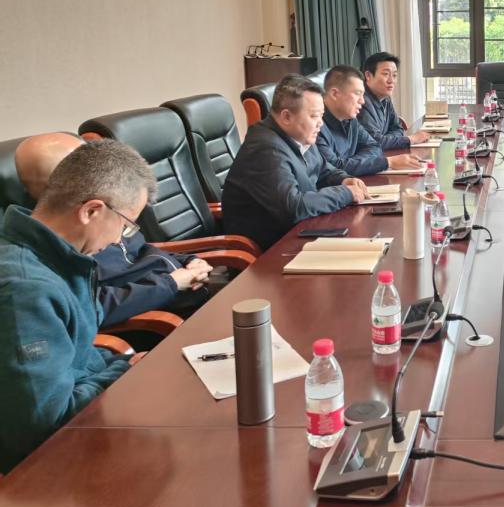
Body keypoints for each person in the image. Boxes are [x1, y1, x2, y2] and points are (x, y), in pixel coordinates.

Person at [0, 139, 154, 473]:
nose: (119, 240)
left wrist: (124, 364)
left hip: (81, 427)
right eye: (125, 225)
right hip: (46, 470)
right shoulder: (25, 291)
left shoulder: (62, 260)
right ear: (91, 211)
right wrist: (123, 371)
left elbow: (76, 357)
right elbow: (43, 427)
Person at [14, 134, 213, 327]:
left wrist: (186, 260)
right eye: (83, 163)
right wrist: (170, 283)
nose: (103, 169)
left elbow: (140, 248)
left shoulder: (108, 211)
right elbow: (92, 308)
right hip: (158, 315)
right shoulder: (71, 239)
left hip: (179, 288)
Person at [222, 74, 368, 250]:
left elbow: (323, 170)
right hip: (271, 252)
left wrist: (344, 179)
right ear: (286, 117)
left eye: (322, 116)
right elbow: (293, 208)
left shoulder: (299, 136)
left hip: (301, 234)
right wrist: (345, 193)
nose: (320, 124)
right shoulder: (265, 149)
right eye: (314, 116)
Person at [317, 65, 423, 176]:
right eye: (357, 94)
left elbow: (374, 146)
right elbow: (334, 168)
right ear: (335, 94)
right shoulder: (316, 127)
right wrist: (388, 162)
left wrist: (353, 163)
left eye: (363, 95)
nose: (362, 101)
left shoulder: (350, 120)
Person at [358, 52, 430, 150]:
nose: (391, 80)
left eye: (394, 75)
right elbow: (374, 142)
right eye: (386, 74)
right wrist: (411, 139)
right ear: (368, 75)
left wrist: (386, 140)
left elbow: (398, 128)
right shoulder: (360, 101)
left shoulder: (385, 98)